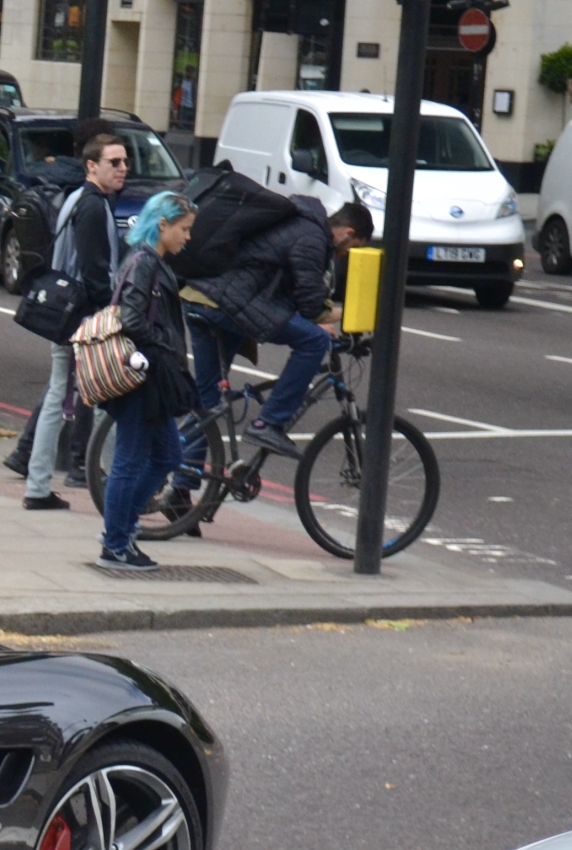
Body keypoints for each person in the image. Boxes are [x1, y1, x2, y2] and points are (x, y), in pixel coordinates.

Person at [188, 198, 373, 460]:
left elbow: (289, 291)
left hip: (202, 298)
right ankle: (268, 423)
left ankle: (181, 487)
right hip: (226, 304)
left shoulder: (301, 225)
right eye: (350, 249)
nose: (343, 256)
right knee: (314, 342)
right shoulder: (313, 237)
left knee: (208, 404)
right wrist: (351, 313)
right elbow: (311, 307)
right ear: (347, 233)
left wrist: (318, 316)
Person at [16, 129, 128, 511]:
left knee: (56, 397)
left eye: (125, 161)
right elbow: (96, 271)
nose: (123, 168)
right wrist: (110, 315)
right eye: (115, 162)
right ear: (92, 166)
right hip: (85, 319)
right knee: (107, 398)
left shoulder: (76, 198)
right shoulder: (94, 206)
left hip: (65, 316)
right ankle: (114, 486)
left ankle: (37, 486)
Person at [96, 191, 197, 572]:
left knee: (168, 456)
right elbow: (130, 318)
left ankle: (121, 529)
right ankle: (115, 543)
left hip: (153, 374)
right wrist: (163, 347)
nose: (187, 237)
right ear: (163, 224)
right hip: (142, 375)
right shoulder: (143, 263)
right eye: (184, 229)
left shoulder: (153, 262)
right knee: (129, 460)